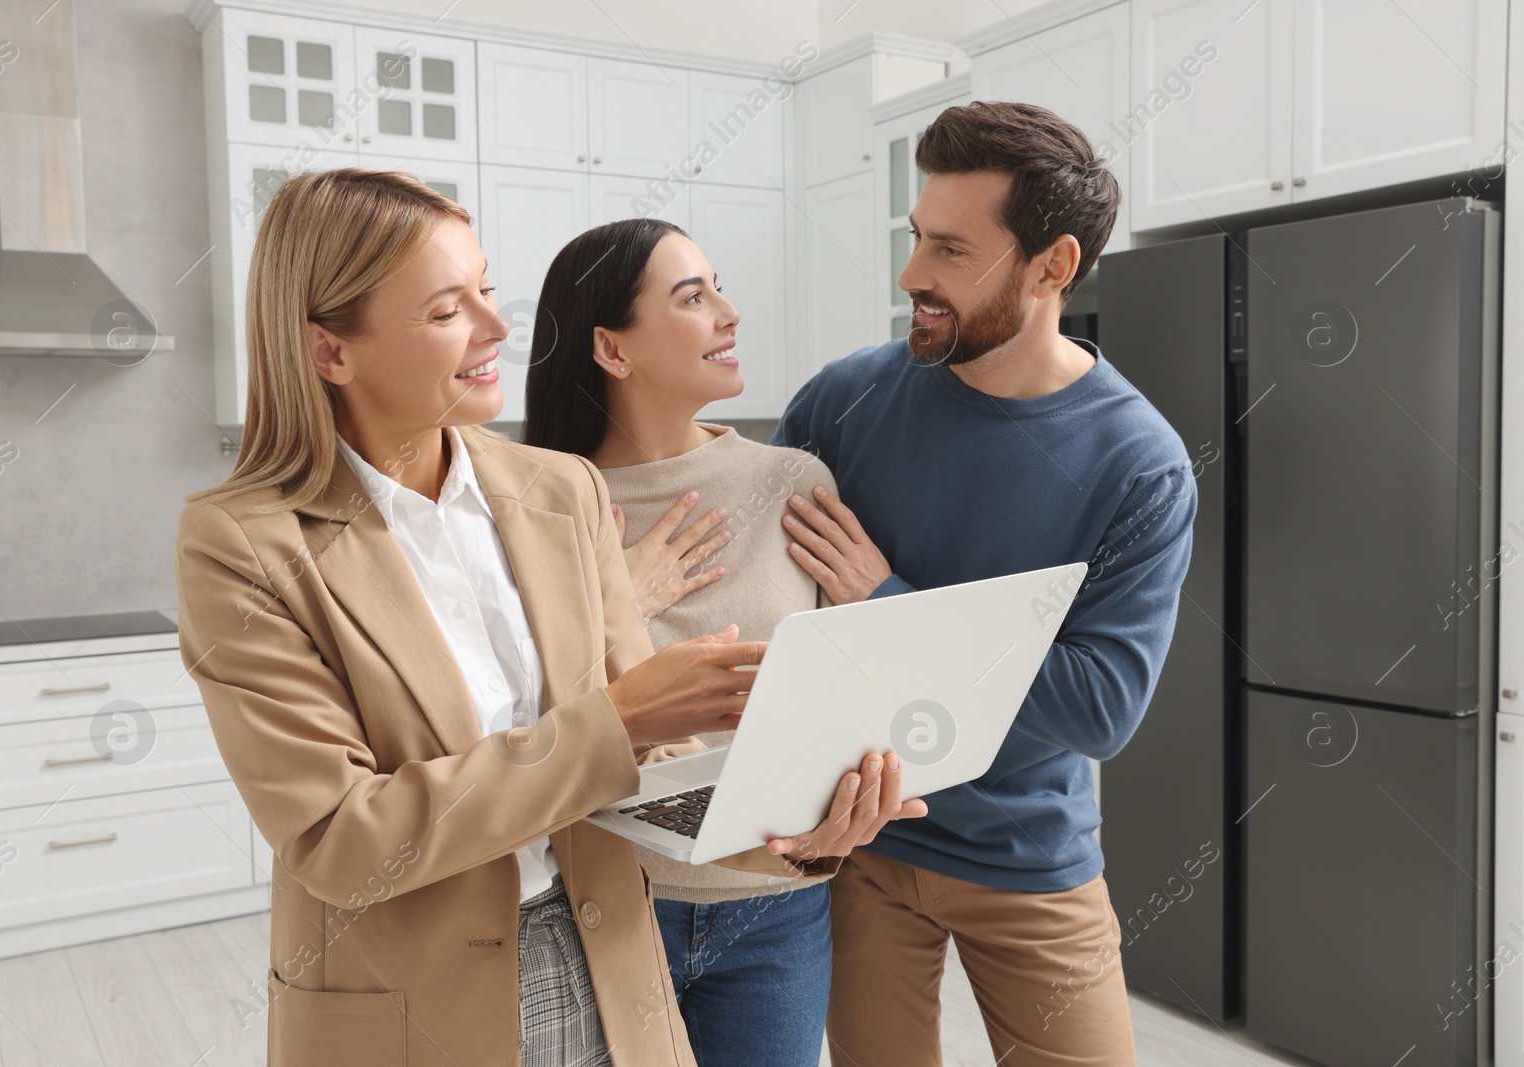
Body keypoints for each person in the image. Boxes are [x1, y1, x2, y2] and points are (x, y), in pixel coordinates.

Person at [173, 168, 917, 1067]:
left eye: (486, 290)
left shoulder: (561, 489)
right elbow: (341, 837)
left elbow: (652, 771)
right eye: (448, 310)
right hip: (417, 1006)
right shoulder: (245, 543)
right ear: (332, 351)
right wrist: (621, 716)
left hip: (613, 964)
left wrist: (793, 832)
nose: (495, 327)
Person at [770, 102, 1198, 1066]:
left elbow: (1100, 708)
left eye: (952, 251)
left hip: (1029, 858)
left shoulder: (1140, 462)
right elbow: (766, 609)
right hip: (858, 843)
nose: (912, 274)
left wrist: (888, 604)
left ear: (1053, 268)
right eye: (916, 237)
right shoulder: (844, 401)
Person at [522, 218, 913, 1067]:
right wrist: (614, 597)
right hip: (599, 901)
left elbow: (835, 693)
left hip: (773, 906)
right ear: (611, 349)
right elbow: (511, 719)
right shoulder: (537, 503)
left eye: (717, 287)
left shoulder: (791, 482)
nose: (730, 312)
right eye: (692, 296)